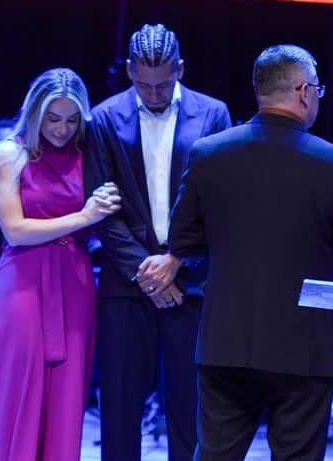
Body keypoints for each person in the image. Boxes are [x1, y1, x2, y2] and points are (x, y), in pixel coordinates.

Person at [160, 45, 333, 459]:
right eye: (317, 90)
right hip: (303, 348)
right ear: (303, 92)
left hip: (226, 342)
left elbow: (182, 240)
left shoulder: (208, 152)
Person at [84, 23, 231, 461]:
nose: (153, 94)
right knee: (119, 407)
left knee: (190, 409)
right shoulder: (104, 117)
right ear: (129, 70)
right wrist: (147, 271)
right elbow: (101, 207)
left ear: (180, 69)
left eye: (163, 85)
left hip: (190, 281)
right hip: (125, 283)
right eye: (143, 85)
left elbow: (221, 202)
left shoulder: (214, 114)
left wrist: (175, 261)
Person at [0, 67, 121, 461]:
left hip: (74, 279)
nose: (62, 129)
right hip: (22, 280)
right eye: (53, 118)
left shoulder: (89, 156)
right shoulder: (11, 154)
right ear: (35, 113)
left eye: (72, 120)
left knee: (67, 395)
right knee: (20, 393)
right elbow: (15, 231)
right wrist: (84, 217)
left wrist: (103, 210)